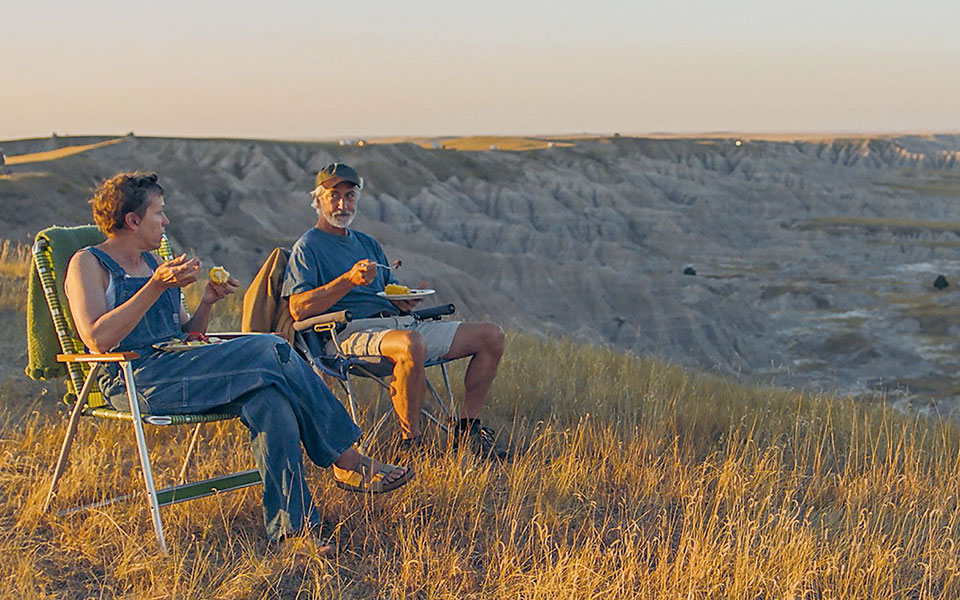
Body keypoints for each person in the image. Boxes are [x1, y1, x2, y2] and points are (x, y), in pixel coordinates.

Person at [63, 171, 413, 544]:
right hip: (136, 378)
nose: (165, 222)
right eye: (159, 213)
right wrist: (155, 287)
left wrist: (207, 301)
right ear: (133, 221)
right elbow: (98, 339)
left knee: (271, 401)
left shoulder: (153, 264)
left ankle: (293, 531)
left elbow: (186, 334)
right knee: (273, 346)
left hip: (183, 366)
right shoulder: (89, 264)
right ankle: (346, 459)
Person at [282, 163, 507, 459]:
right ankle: (410, 445)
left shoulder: (368, 244)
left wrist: (405, 299)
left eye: (349, 196)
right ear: (318, 200)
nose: (342, 204)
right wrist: (348, 280)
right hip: (346, 333)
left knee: (491, 336)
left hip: (398, 323)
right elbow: (298, 309)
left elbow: (389, 291)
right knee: (410, 343)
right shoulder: (308, 247)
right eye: (334, 196)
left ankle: (467, 431)